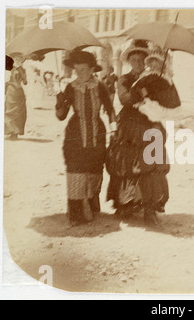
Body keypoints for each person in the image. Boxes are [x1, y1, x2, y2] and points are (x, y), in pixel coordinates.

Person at [106, 40, 181, 226]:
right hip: (129, 126)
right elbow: (125, 99)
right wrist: (142, 90)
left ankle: (149, 209)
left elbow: (170, 101)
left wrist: (160, 85)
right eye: (134, 59)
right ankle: (127, 204)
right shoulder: (124, 79)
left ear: (146, 61)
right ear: (129, 61)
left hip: (150, 125)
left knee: (152, 167)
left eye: (141, 59)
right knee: (127, 164)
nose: (138, 63)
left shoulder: (156, 77)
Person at [55, 50, 117, 226]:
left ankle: (90, 205)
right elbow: (61, 115)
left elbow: (110, 109)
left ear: (91, 69)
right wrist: (60, 102)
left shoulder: (100, 86)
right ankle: (76, 213)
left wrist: (114, 130)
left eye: (83, 69)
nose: (79, 73)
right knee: (75, 170)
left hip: (97, 134)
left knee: (94, 170)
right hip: (75, 135)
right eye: (77, 70)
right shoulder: (70, 87)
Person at [5, 54, 28, 140]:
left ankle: (15, 132)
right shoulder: (9, 68)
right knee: (10, 110)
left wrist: (22, 72)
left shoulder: (21, 70)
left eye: (20, 58)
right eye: (17, 58)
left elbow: (25, 82)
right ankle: (11, 131)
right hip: (11, 91)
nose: (19, 60)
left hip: (16, 91)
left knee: (18, 111)